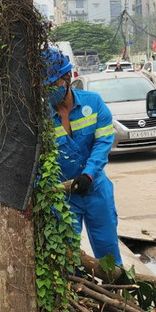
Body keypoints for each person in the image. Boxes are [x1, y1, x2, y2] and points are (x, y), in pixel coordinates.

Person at [43, 48, 122, 265]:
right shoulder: (41, 118)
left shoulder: (93, 103)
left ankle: (115, 293)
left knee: (108, 253)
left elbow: (103, 142)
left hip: (95, 189)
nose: (49, 91)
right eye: (45, 87)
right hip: (64, 196)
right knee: (68, 256)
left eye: (52, 84)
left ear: (67, 78)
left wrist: (88, 175)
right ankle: (79, 295)